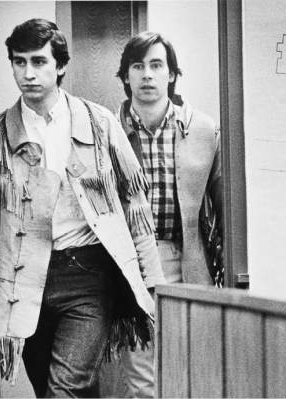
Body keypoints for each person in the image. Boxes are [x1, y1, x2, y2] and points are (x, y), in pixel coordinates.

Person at [0, 19, 165, 398]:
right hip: (23, 283)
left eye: (39, 62)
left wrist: (154, 286)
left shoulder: (99, 123)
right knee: (60, 390)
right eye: (20, 63)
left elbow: (135, 205)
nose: (28, 74)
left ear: (60, 65)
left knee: (64, 389)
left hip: (88, 276)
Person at [110, 31, 223, 398]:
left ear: (172, 74)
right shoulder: (105, 131)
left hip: (187, 258)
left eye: (156, 65)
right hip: (131, 264)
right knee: (142, 376)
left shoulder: (203, 130)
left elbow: (223, 207)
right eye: (137, 66)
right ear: (125, 75)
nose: (147, 75)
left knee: (190, 367)